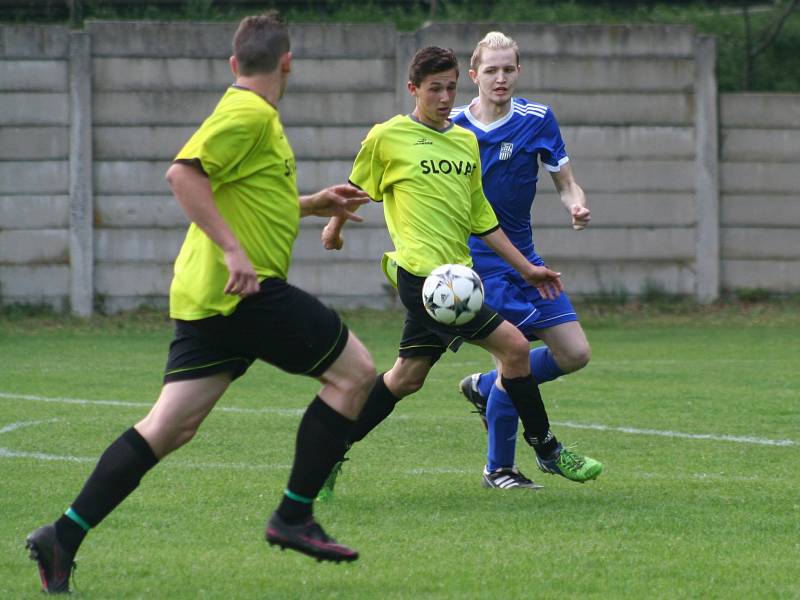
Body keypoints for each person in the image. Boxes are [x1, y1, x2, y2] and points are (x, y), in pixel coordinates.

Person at [25, 12, 376, 594]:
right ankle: (294, 515)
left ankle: (63, 536)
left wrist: (313, 203)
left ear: (235, 63)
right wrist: (236, 253)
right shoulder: (248, 113)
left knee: (169, 426)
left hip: (207, 298)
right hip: (245, 291)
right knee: (356, 375)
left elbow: (247, 197)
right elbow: (183, 176)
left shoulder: (247, 114)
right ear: (287, 63)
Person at [320, 46, 602, 500]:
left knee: (405, 377)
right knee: (512, 346)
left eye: (451, 87)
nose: (445, 96)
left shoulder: (463, 140)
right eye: (435, 88)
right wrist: (334, 229)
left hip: (457, 279)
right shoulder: (388, 136)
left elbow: (481, 217)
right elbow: (356, 187)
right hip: (422, 279)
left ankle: (328, 450)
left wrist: (527, 268)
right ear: (413, 89)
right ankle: (546, 448)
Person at [451, 31, 596, 489]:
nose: (500, 78)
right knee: (512, 359)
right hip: (479, 267)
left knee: (574, 354)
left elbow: (566, 181)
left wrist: (575, 203)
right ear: (473, 75)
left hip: (527, 260)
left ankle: (484, 387)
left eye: (508, 69)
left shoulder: (537, 119)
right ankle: (499, 468)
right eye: (490, 70)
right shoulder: (451, 128)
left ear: (519, 72)